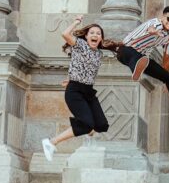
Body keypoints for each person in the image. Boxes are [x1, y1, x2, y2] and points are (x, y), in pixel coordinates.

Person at [42, 15, 119, 161]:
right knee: (87, 124)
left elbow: (82, 66)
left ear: (101, 38)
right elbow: (65, 34)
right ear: (86, 36)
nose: (95, 35)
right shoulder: (80, 44)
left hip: (88, 92)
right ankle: (51, 142)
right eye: (92, 33)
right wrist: (76, 22)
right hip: (75, 92)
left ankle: (88, 132)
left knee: (101, 125)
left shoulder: (99, 53)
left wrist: (71, 76)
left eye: (98, 33)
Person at [117, 6, 169, 120]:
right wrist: (153, 32)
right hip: (124, 50)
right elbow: (150, 29)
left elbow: (167, 58)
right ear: (162, 17)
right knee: (136, 56)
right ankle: (136, 68)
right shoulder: (155, 23)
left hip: (142, 58)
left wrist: (166, 81)